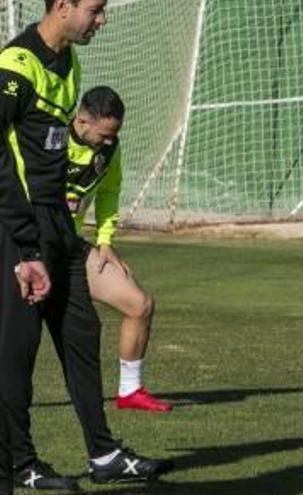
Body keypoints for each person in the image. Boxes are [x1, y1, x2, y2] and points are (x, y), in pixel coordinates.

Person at [0, 1, 171, 492]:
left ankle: (103, 453)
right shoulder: (17, 65)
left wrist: (88, 235)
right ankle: (20, 463)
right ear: (62, 7)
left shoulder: (69, 61)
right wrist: (24, 237)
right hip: (20, 231)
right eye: (95, 10)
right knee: (17, 351)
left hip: (58, 229)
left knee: (81, 332)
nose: (102, 20)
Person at [66, 86, 171, 412]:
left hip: (69, 249)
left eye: (115, 134)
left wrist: (105, 240)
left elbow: (109, 192)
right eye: (104, 134)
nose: (110, 141)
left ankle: (130, 391)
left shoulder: (110, 150)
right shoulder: (46, 137)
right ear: (82, 120)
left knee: (139, 304)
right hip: (23, 247)